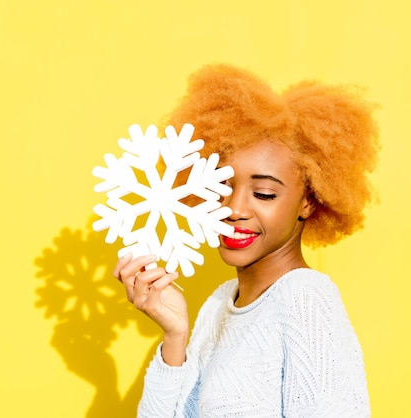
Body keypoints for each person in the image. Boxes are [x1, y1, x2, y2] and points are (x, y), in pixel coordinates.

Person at [114, 63, 380, 417]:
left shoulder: (305, 300)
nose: (233, 208)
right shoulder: (219, 304)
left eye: (265, 194)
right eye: (221, 186)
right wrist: (175, 336)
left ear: (308, 201)